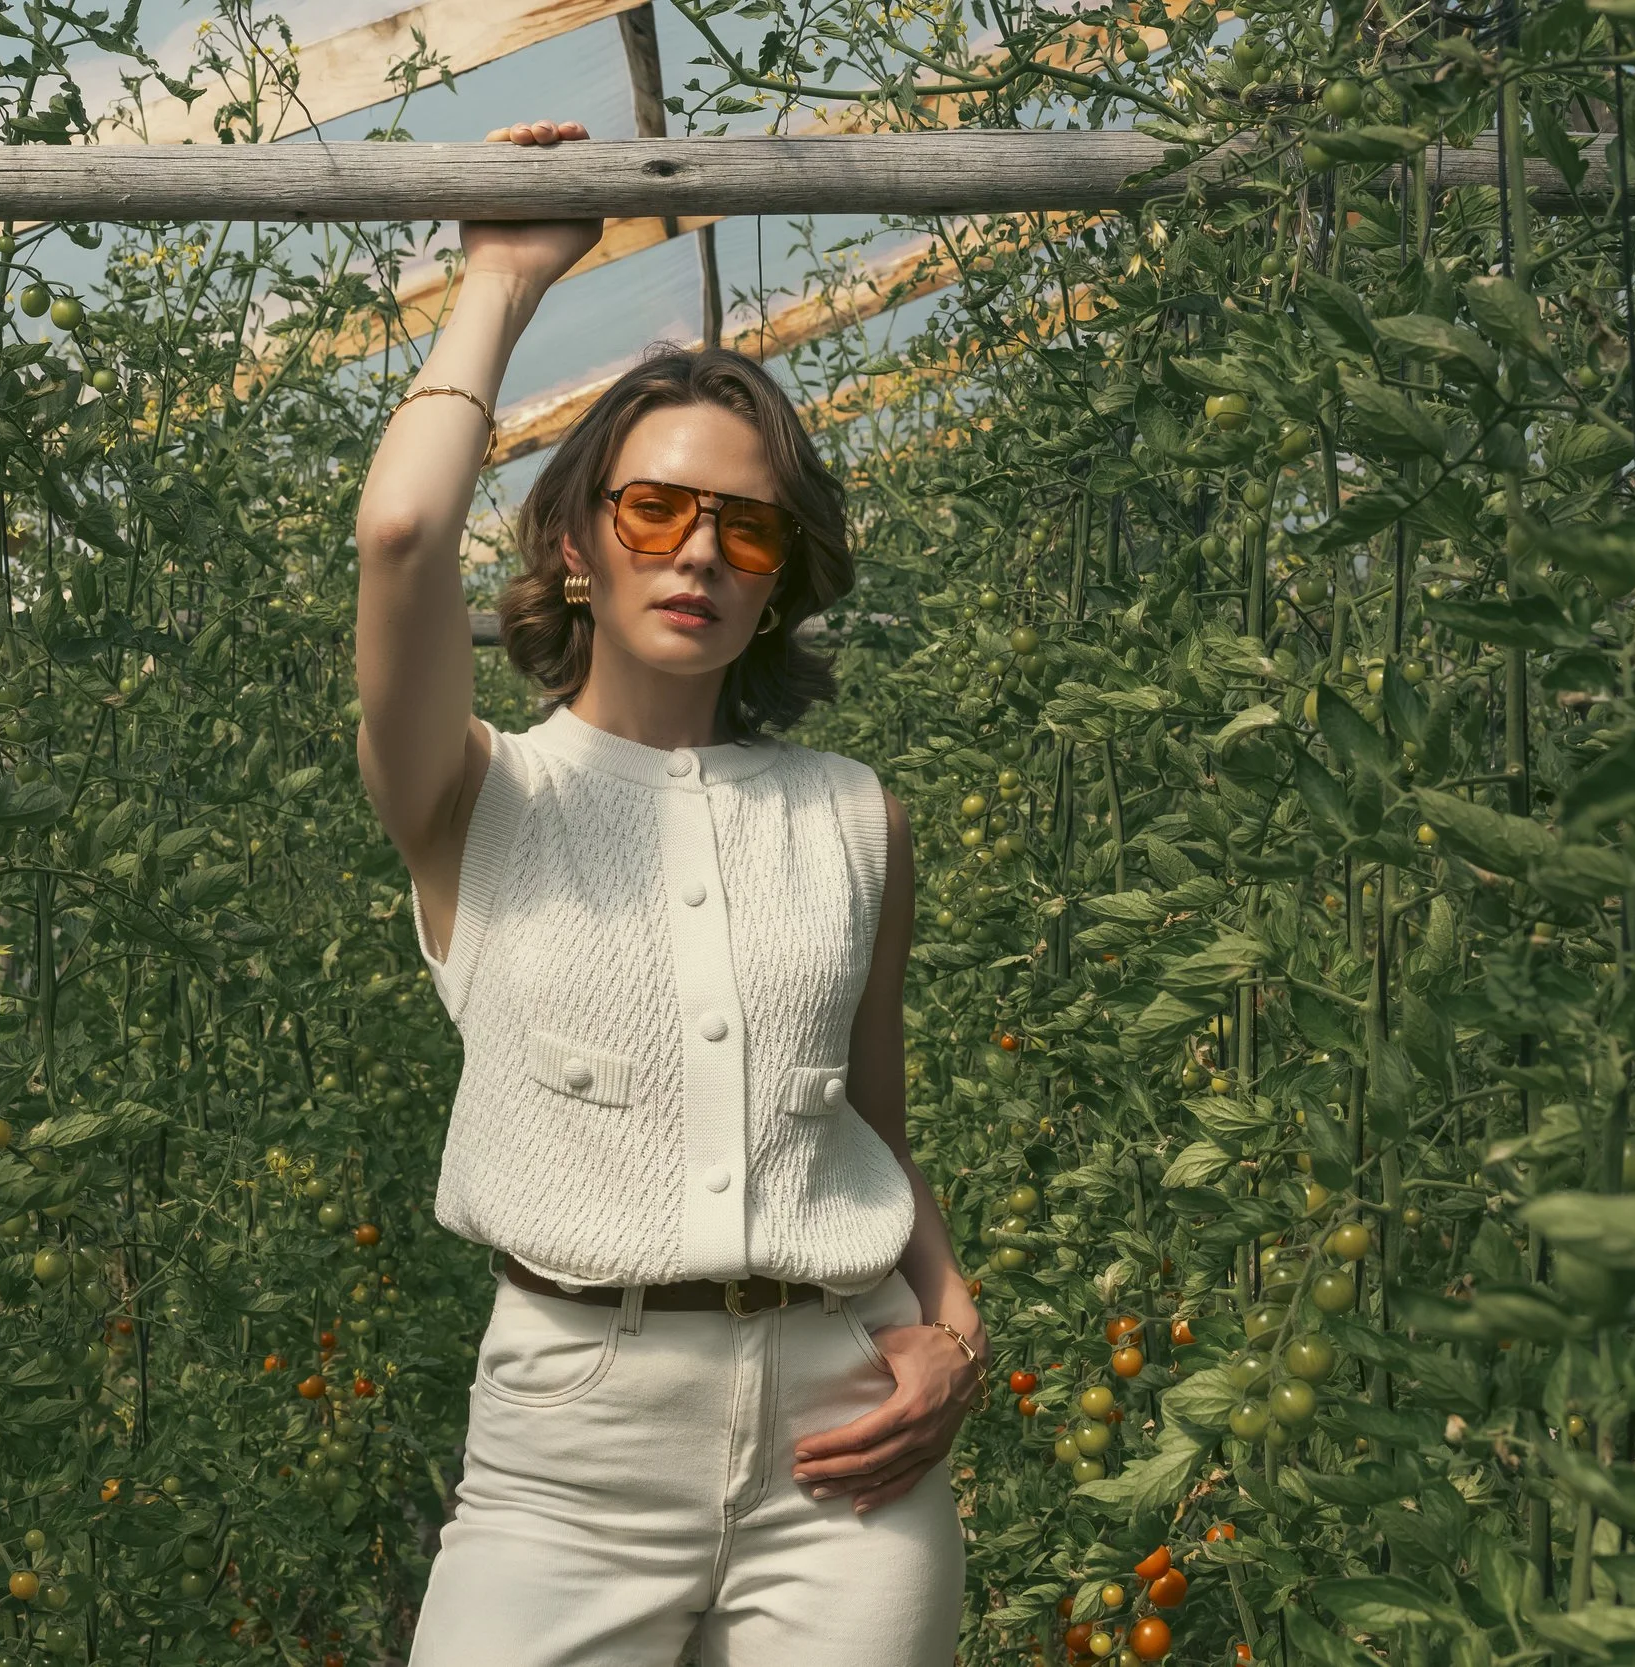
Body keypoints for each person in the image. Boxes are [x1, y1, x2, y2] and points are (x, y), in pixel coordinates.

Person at [353, 116, 985, 1667]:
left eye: (746, 527)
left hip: (845, 1436)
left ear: (780, 579)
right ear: (577, 541)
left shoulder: (853, 816)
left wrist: (955, 1328)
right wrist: (503, 278)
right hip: (568, 1450)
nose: (699, 550)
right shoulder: (477, 795)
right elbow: (403, 529)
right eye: (654, 509)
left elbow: (869, 1131)